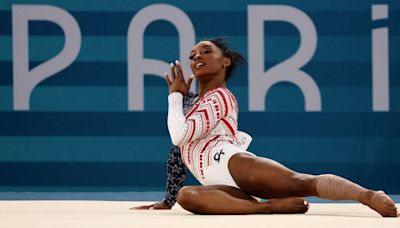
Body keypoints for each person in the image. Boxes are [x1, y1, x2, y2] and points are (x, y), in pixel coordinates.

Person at [132, 38, 398, 217]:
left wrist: (174, 97)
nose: (196, 57)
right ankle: (268, 207)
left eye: (205, 51)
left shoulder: (221, 97)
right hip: (217, 186)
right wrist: (168, 199)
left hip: (232, 164)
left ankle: (368, 195)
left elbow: (179, 136)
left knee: (300, 182)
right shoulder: (191, 104)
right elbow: (178, 153)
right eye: (192, 55)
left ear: (225, 61)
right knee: (187, 196)